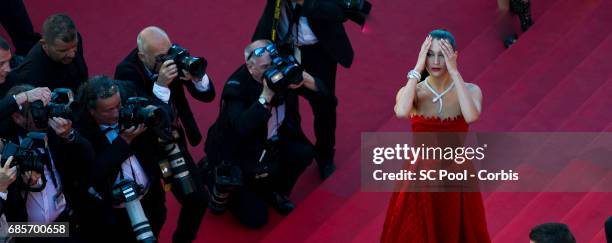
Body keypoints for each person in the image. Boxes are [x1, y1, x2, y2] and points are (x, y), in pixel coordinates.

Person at [381, 29, 488, 243]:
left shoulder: (470, 90)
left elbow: (471, 115)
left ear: (454, 55)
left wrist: (455, 72)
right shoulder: (414, 91)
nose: (436, 61)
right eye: (430, 54)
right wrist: (417, 69)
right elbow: (401, 111)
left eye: (442, 54)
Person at [204, 39, 326, 228]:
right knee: (256, 219)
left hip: (272, 142)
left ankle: (276, 191)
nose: (272, 71)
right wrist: (266, 95)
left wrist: (305, 79)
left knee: (304, 153)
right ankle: (209, 173)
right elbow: (242, 128)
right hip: (239, 153)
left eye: (273, 64)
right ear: (250, 66)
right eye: (265, 67)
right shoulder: (235, 88)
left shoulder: (283, 71)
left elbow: (325, 96)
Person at [114, 26, 214, 243]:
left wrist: (197, 77)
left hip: (173, 141)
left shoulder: (172, 56)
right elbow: (151, 113)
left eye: (168, 52)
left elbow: (207, 96)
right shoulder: (126, 72)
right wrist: (160, 85)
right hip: (147, 147)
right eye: (160, 57)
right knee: (156, 211)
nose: (166, 59)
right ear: (142, 56)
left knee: (197, 198)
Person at [252, 0, 356, 179]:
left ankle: (325, 156)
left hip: (319, 53)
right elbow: (269, 17)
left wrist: (304, 2)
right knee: (288, 108)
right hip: (286, 50)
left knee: (325, 104)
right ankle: (294, 153)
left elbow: (339, 12)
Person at [73, 76, 168, 243]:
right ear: (91, 110)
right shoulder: (80, 133)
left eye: (118, 105)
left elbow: (166, 120)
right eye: (109, 110)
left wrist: (154, 115)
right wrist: (123, 141)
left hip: (150, 201)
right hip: (113, 216)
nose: (117, 113)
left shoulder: (131, 108)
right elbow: (94, 174)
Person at [1, 84, 91, 243]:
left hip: (64, 222)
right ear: (17, 117)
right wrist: (21, 183)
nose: (45, 116)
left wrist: (70, 136)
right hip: (26, 233)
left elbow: (89, 159)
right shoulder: (7, 147)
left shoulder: (57, 130)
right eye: (37, 111)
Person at [14, 14, 88, 91]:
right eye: (62, 50)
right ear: (44, 44)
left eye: (74, 47)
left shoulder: (73, 40)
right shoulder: (31, 74)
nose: (72, 55)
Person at [0, 36, 52, 123]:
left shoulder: (14, 78)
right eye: (1, 64)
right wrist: (22, 97)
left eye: (9, 61)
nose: (8, 69)